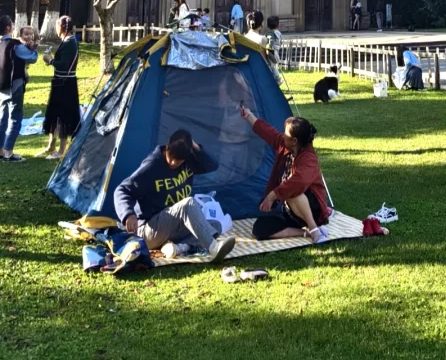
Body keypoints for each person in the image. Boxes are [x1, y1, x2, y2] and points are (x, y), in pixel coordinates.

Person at [114, 128, 236, 260]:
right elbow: (122, 190)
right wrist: (128, 214)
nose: (173, 163)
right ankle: (213, 248)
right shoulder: (152, 165)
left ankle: (180, 248)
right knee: (188, 204)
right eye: (171, 158)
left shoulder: (189, 161)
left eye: (178, 161)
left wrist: (195, 147)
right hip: (149, 230)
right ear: (167, 147)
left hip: (172, 228)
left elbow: (213, 165)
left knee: (214, 226)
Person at [240, 106, 332, 242]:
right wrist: (248, 115)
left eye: (286, 134)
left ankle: (314, 229)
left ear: (294, 141)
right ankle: (306, 233)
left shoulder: (308, 158)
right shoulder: (286, 145)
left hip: (312, 210)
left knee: (292, 190)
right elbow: (268, 132)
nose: (283, 136)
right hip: (291, 211)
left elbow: (298, 182)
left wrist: (273, 195)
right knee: (259, 229)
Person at [0, 16, 39, 163]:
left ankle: (1, 149)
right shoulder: (14, 45)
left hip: (0, 86)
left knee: (2, 118)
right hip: (14, 84)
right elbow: (32, 58)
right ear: (8, 28)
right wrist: (33, 49)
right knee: (15, 118)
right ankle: (9, 152)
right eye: (11, 24)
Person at [40, 15, 81, 160]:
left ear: (62, 27)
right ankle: (51, 145)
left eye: (57, 26)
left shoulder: (70, 42)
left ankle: (61, 150)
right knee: (54, 113)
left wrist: (50, 60)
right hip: (59, 81)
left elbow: (64, 65)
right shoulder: (66, 41)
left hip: (66, 84)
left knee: (63, 115)